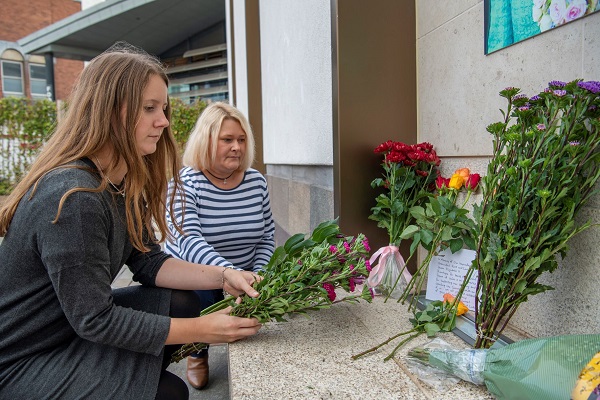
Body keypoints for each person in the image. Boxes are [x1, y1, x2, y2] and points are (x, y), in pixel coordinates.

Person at [0, 42, 262, 400]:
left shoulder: (118, 180)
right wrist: (205, 329)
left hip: (68, 329)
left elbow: (148, 260)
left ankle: (122, 381)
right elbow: (96, 319)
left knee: (184, 302)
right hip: (23, 359)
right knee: (169, 393)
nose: (165, 121)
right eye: (150, 108)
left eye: (164, 108)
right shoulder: (75, 199)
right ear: (110, 112)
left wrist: (224, 274)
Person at [165, 102, 275, 389]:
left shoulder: (256, 182)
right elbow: (188, 241)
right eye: (227, 139)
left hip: (245, 273)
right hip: (197, 276)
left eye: (241, 139)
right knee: (201, 292)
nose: (237, 147)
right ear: (207, 140)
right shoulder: (184, 182)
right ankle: (197, 351)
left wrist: (260, 273)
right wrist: (229, 274)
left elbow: (266, 236)